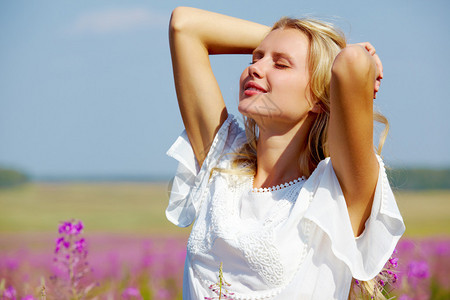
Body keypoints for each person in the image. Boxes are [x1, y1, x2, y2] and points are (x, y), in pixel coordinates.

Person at [165, 6, 405, 299]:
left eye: (280, 64)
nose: (255, 67)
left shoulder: (335, 191)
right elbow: (184, 25)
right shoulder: (222, 162)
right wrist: (290, 40)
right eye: (257, 56)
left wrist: (329, 49)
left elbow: (353, 63)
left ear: (319, 96)